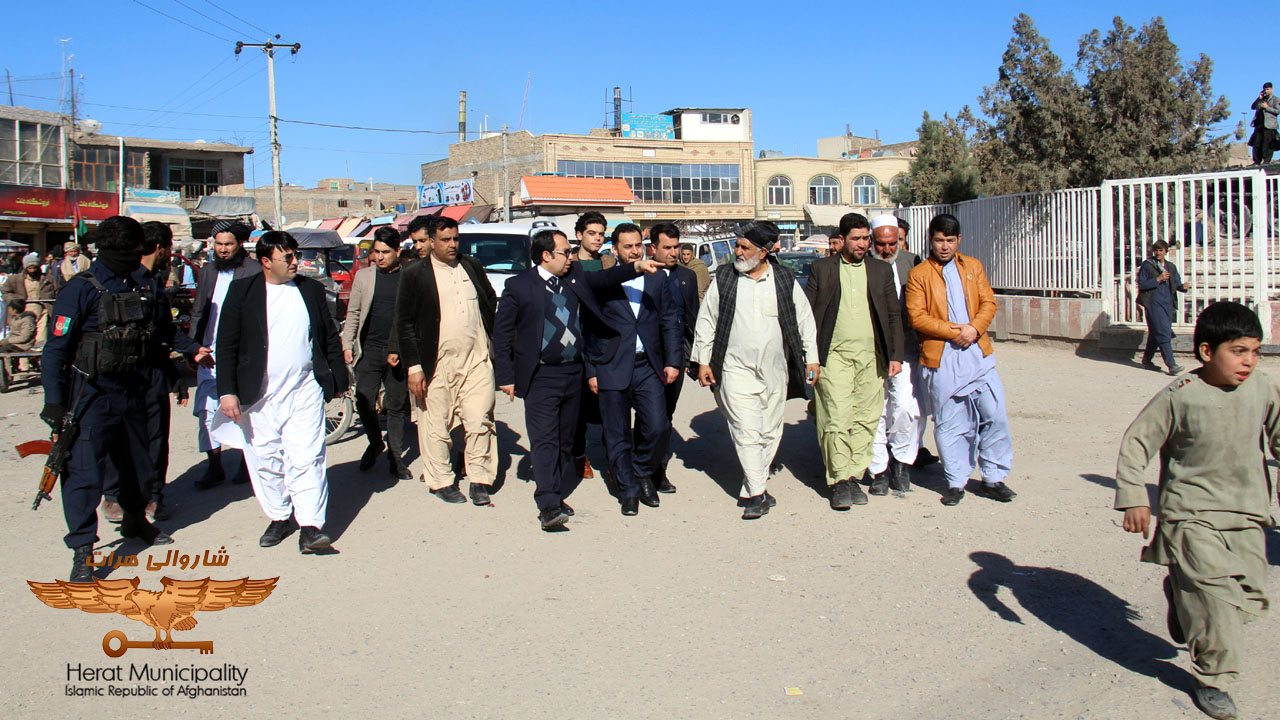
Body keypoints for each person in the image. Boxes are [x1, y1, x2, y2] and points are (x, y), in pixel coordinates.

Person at [1115, 301, 1276, 720]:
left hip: (1246, 512)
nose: (1249, 361)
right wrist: (1134, 495)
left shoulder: (1262, 389)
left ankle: (1182, 599)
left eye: (1255, 351)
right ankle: (1213, 679)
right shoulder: (1180, 395)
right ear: (1207, 351)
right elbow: (1137, 443)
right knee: (1217, 603)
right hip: (1190, 515)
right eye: (1238, 351)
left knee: (1251, 598)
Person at [40, 216, 211, 581]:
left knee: (138, 462)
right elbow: (56, 349)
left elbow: (164, 333)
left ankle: (135, 521)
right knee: (84, 472)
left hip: (136, 388)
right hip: (92, 394)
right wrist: (54, 402)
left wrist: (193, 350)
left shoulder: (147, 285)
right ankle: (83, 548)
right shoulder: (81, 289)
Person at [492, 228, 658, 529]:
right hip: (541, 375)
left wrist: (635, 266)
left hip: (574, 373)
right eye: (564, 252)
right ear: (546, 256)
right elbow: (501, 336)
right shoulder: (519, 286)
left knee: (566, 441)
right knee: (544, 441)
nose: (570, 257)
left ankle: (554, 490)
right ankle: (549, 505)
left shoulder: (574, 276)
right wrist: (505, 375)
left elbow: (604, 279)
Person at [212, 231, 349, 553]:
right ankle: (279, 516)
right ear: (265, 261)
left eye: (295, 256)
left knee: (307, 457)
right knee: (266, 460)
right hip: (259, 396)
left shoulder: (310, 290)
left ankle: (311, 526)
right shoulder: (242, 292)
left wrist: (338, 379)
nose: (295, 262)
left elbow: (327, 335)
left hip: (304, 391)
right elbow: (227, 344)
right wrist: (227, 392)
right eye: (287, 258)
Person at [693, 221, 819, 519]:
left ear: (762, 253)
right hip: (734, 368)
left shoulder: (783, 279)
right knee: (747, 429)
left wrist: (811, 357)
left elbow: (804, 320)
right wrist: (703, 360)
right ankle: (758, 495)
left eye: (743, 247)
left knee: (769, 430)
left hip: (775, 370)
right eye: (737, 246)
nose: (737, 251)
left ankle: (754, 486)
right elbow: (707, 320)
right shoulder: (724, 277)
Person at [905, 213, 1016, 506]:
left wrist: (974, 329)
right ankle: (955, 481)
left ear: (959, 241)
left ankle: (993, 477)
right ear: (931, 240)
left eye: (950, 241)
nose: (944, 246)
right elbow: (917, 316)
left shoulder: (973, 267)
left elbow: (988, 302)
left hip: (977, 353)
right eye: (939, 240)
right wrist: (957, 331)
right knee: (951, 422)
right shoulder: (919, 274)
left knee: (995, 415)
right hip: (943, 357)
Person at [389, 216, 498, 504]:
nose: (452, 245)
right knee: (435, 425)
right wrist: (413, 367)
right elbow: (404, 323)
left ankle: (479, 478)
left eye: (456, 239)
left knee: (479, 419)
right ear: (432, 241)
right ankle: (442, 480)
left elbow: (490, 301)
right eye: (446, 240)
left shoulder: (470, 266)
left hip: (476, 359)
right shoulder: (414, 273)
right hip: (434, 363)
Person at [805, 213, 903, 510]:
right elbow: (807, 315)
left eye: (866, 239)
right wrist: (810, 356)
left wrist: (896, 355)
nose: (863, 244)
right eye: (857, 239)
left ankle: (852, 474)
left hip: (872, 358)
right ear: (843, 239)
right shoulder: (822, 270)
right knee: (836, 417)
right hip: (833, 357)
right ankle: (837, 480)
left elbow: (893, 315)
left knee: (866, 418)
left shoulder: (880, 270)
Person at [587, 223, 682, 515]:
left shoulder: (658, 280)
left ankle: (641, 471)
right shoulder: (603, 280)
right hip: (612, 366)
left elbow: (669, 320)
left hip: (647, 367)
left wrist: (673, 361)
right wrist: (591, 369)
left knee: (657, 426)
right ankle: (627, 490)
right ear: (614, 250)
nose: (634, 251)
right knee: (616, 433)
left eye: (637, 245)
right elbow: (588, 327)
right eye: (627, 246)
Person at [101, 222, 189, 523]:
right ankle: (116, 496)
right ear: (161, 248)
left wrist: (193, 351)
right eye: (171, 246)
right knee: (122, 434)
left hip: (152, 371)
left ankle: (152, 497)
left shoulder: (153, 283)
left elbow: (165, 331)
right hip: (123, 372)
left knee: (154, 436)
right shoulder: (124, 281)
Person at [190, 220, 261, 489]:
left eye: (228, 244)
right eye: (218, 244)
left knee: (242, 410)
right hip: (209, 354)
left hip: (240, 354)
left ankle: (246, 463)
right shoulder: (208, 272)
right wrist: (193, 347)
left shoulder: (254, 271)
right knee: (206, 412)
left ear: (239, 244)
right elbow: (199, 310)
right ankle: (214, 465)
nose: (222, 249)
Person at [342, 227, 411, 479]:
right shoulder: (365, 277)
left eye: (385, 252)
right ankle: (375, 442)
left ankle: (395, 456)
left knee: (395, 406)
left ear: (398, 251)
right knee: (364, 401)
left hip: (397, 352)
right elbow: (354, 313)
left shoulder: (409, 277)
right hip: (369, 349)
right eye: (376, 252)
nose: (379, 257)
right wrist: (347, 344)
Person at [866, 214, 925, 494]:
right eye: (881, 244)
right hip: (871, 349)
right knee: (874, 410)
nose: (887, 250)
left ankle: (902, 460)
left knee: (903, 406)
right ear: (871, 242)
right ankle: (879, 469)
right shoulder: (861, 266)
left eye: (893, 243)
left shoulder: (912, 263)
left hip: (906, 348)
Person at [653, 224, 700, 493]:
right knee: (651, 416)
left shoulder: (687, 277)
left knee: (665, 415)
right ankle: (639, 466)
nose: (673, 253)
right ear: (654, 248)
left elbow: (692, 318)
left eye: (676, 247)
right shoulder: (643, 273)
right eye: (667, 248)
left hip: (676, 354)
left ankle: (658, 470)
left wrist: (698, 358)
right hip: (646, 355)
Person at [570, 211, 616, 481]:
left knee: (610, 403)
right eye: (592, 233)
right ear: (579, 235)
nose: (598, 238)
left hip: (603, 340)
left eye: (601, 234)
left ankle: (615, 458)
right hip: (576, 339)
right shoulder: (569, 263)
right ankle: (580, 456)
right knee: (578, 405)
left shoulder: (609, 263)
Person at [897, 216, 941, 469]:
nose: (896, 246)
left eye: (900, 240)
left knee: (917, 402)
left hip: (914, 344)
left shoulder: (915, 264)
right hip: (889, 349)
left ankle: (916, 446)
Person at [1138, 240, 1189, 375]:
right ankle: (1171, 365)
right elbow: (1142, 284)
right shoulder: (1148, 266)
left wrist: (1183, 287)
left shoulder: (1171, 267)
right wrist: (1158, 279)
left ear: (1166, 251)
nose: (1158, 253)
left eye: (1161, 250)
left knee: (1156, 333)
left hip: (1168, 304)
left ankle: (1147, 361)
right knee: (1163, 332)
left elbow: (1177, 284)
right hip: (1154, 303)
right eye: (1156, 250)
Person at [2, 251, 54, 360]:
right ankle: (24, 366)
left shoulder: (47, 279)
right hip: (23, 312)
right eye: (30, 268)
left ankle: (41, 365)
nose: (33, 270)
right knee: (24, 338)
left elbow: (57, 291)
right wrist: (15, 300)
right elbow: (5, 291)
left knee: (41, 340)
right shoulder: (15, 279)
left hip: (42, 311)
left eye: (35, 267)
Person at [1248, 82, 1280, 165]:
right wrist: (1259, 98)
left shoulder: (1276, 99)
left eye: (1268, 89)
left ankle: (1266, 160)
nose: (1266, 91)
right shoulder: (1262, 100)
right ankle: (1256, 161)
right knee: (1257, 143)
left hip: (1269, 125)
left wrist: (1267, 107)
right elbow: (1253, 107)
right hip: (1259, 125)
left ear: (1271, 89)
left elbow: (1278, 111)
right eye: (1265, 89)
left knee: (1268, 144)